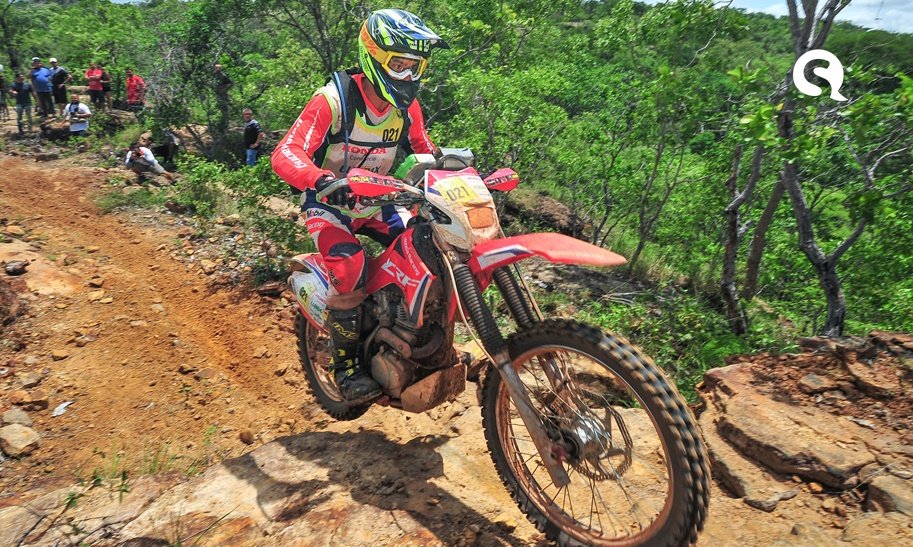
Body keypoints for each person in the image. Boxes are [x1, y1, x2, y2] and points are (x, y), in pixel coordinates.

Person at [271, 9, 448, 403]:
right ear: (373, 57)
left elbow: (426, 149)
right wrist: (321, 179)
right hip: (330, 201)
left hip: (380, 200)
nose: (408, 76)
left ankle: (409, 333)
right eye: (399, 65)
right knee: (349, 266)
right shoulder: (332, 100)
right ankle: (346, 367)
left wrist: (454, 170)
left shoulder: (407, 108)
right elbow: (285, 152)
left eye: (415, 67)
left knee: (428, 242)